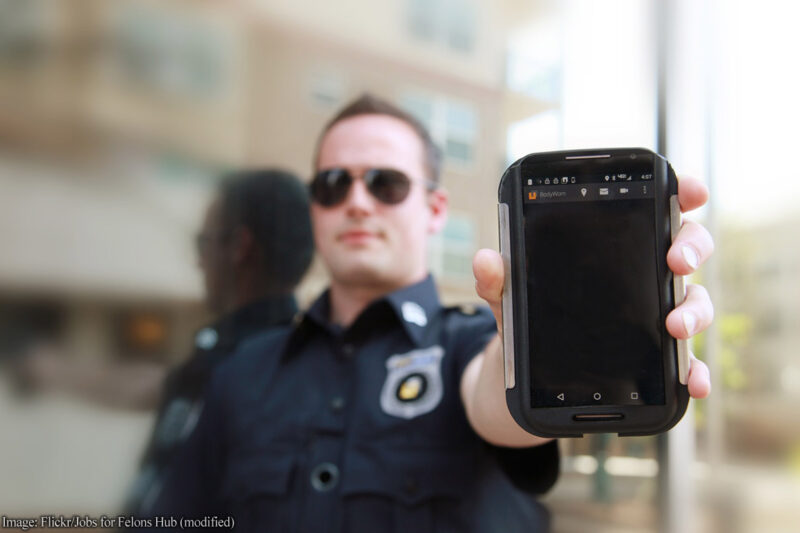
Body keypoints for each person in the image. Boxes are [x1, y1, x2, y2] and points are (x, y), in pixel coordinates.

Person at [145, 94, 713, 532]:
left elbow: (498, 398)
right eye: (332, 184)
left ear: (435, 208)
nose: (358, 202)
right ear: (315, 208)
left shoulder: (471, 345)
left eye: (386, 183)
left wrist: (554, 318)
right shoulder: (242, 373)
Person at [124, 169, 314, 516]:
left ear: (240, 247)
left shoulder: (256, 371)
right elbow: (155, 387)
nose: (198, 261)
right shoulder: (231, 353)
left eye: (203, 242)